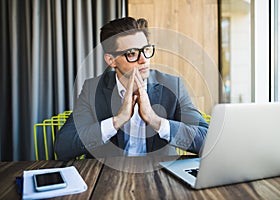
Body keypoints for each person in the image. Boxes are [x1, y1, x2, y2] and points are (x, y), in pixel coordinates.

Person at [54, 17, 208, 160]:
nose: (143, 60)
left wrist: (155, 120)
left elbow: (208, 139)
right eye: (132, 53)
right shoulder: (93, 89)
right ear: (111, 60)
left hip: (161, 174)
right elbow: (63, 146)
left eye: (146, 50)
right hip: (106, 176)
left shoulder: (173, 86)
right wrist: (117, 121)